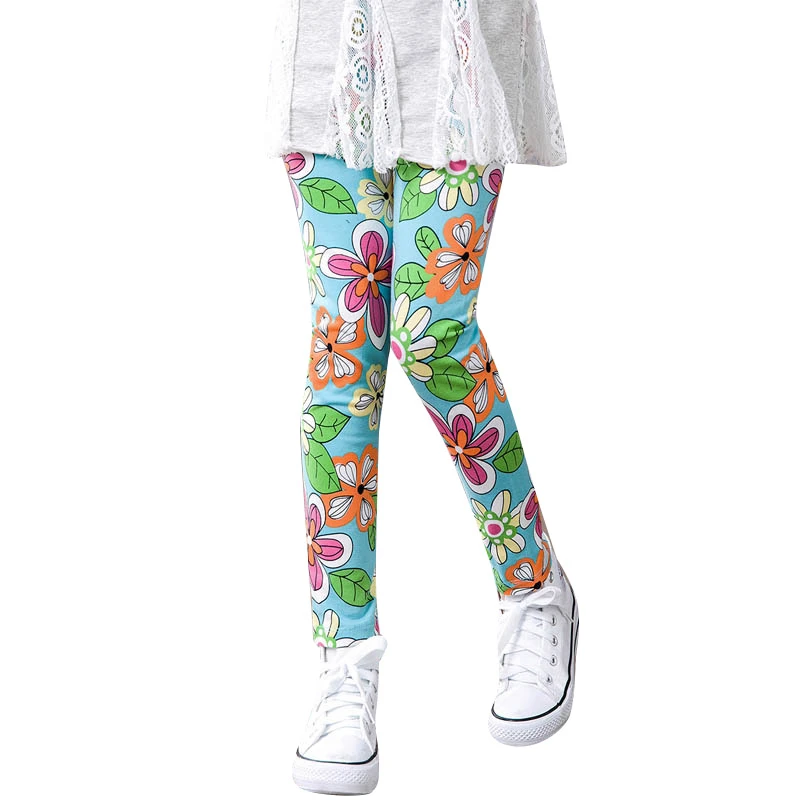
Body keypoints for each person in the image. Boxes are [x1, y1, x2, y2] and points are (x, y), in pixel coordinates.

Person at [265, 0, 578, 794]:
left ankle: (534, 584)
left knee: (432, 332)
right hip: (329, 48)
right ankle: (344, 655)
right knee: (343, 350)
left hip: (454, 45)